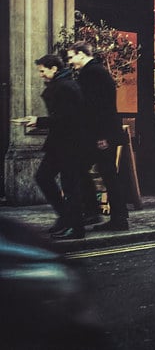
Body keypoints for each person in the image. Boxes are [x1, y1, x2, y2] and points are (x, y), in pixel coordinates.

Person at [66, 41, 130, 232]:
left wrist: (102, 136)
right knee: (106, 174)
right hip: (100, 133)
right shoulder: (96, 71)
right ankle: (116, 216)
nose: (70, 61)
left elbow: (99, 107)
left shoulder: (92, 73)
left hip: (100, 135)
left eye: (71, 57)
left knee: (88, 171)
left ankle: (103, 214)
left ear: (81, 54)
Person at [30, 54, 87, 239]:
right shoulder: (61, 85)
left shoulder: (65, 87)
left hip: (69, 143)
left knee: (70, 184)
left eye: (42, 70)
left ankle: (76, 227)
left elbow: (67, 119)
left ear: (54, 68)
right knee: (44, 177)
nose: (41, 75)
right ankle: (66, 218)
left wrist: (39, 121)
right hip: (60, 143)